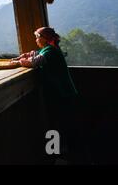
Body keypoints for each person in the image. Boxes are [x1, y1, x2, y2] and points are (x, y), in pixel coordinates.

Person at [11, 27, 86, 163]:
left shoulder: (50, 51)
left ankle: (58, 155)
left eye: (37, 37)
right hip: (62, 93)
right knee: (60, 123)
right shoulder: (50, 49)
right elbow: (36, 53)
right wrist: (26, 55)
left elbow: (34, 62)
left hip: (62, 94)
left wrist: (18, 62)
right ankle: (60, 153)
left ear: (44, 39)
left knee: (58, 123)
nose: (36, 40)